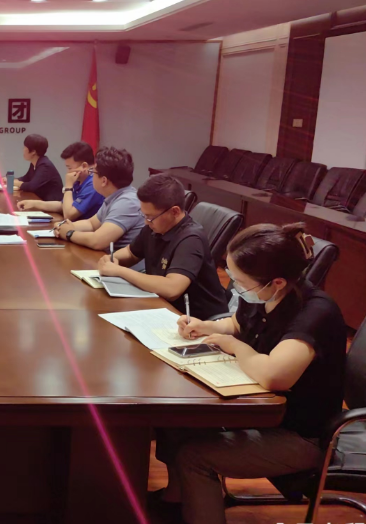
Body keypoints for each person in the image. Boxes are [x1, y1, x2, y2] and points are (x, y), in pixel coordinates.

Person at [151, 223, 346, 524]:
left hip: (304, 435)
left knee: (195, 457)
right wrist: (206, 327)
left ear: (277, 282)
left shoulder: (314, 312)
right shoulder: (264, 293)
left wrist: (235, 347)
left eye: (240, 282)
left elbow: (274, 376)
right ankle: (176, 503)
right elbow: (238, 323)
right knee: (178, 423)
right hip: (262, 414)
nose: (235, 287)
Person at [96, 174, 228, 319]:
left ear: (175, 212)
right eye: (144, 215)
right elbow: (131, 253)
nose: (146, 222)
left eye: (150, 217)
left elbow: (172, 289)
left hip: (197, 321)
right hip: (162, 307)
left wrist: (120, 271)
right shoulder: (154, 227)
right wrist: (112, 259)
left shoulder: (191, 238)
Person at [54, 146, 144, 250]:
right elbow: (91, 224)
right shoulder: (114, 196)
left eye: (93, 172)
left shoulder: (127, 202)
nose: (91, 176)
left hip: (117, 260)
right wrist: (65, 226)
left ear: (104, 181)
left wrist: (69, 233)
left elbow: (97, 241)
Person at [17, 141, 104, 220]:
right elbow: (63, 205)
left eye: (69, 168)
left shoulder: (93, 184)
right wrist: (35, 204)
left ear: (84, 166)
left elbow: (69, 215)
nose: (67, 172)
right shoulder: (79, 180)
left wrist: (68, 186)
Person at [9, 134, 63, 202]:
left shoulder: (45, 166)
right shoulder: (35, 162)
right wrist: (11, 179)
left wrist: (13, 182)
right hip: (40, 200)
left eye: (25, 147)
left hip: (51, 203)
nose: (23, 149)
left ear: (33, 152)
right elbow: (27, 178)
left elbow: (31, 186)